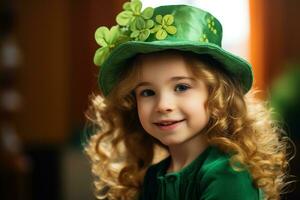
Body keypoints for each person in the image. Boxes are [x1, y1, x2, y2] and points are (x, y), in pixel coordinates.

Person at [85, 0, 292, 199]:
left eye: (181, 87)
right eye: (147, 92)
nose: (163, 105)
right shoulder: (153, 176)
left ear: (216, 95)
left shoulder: (228, 174)